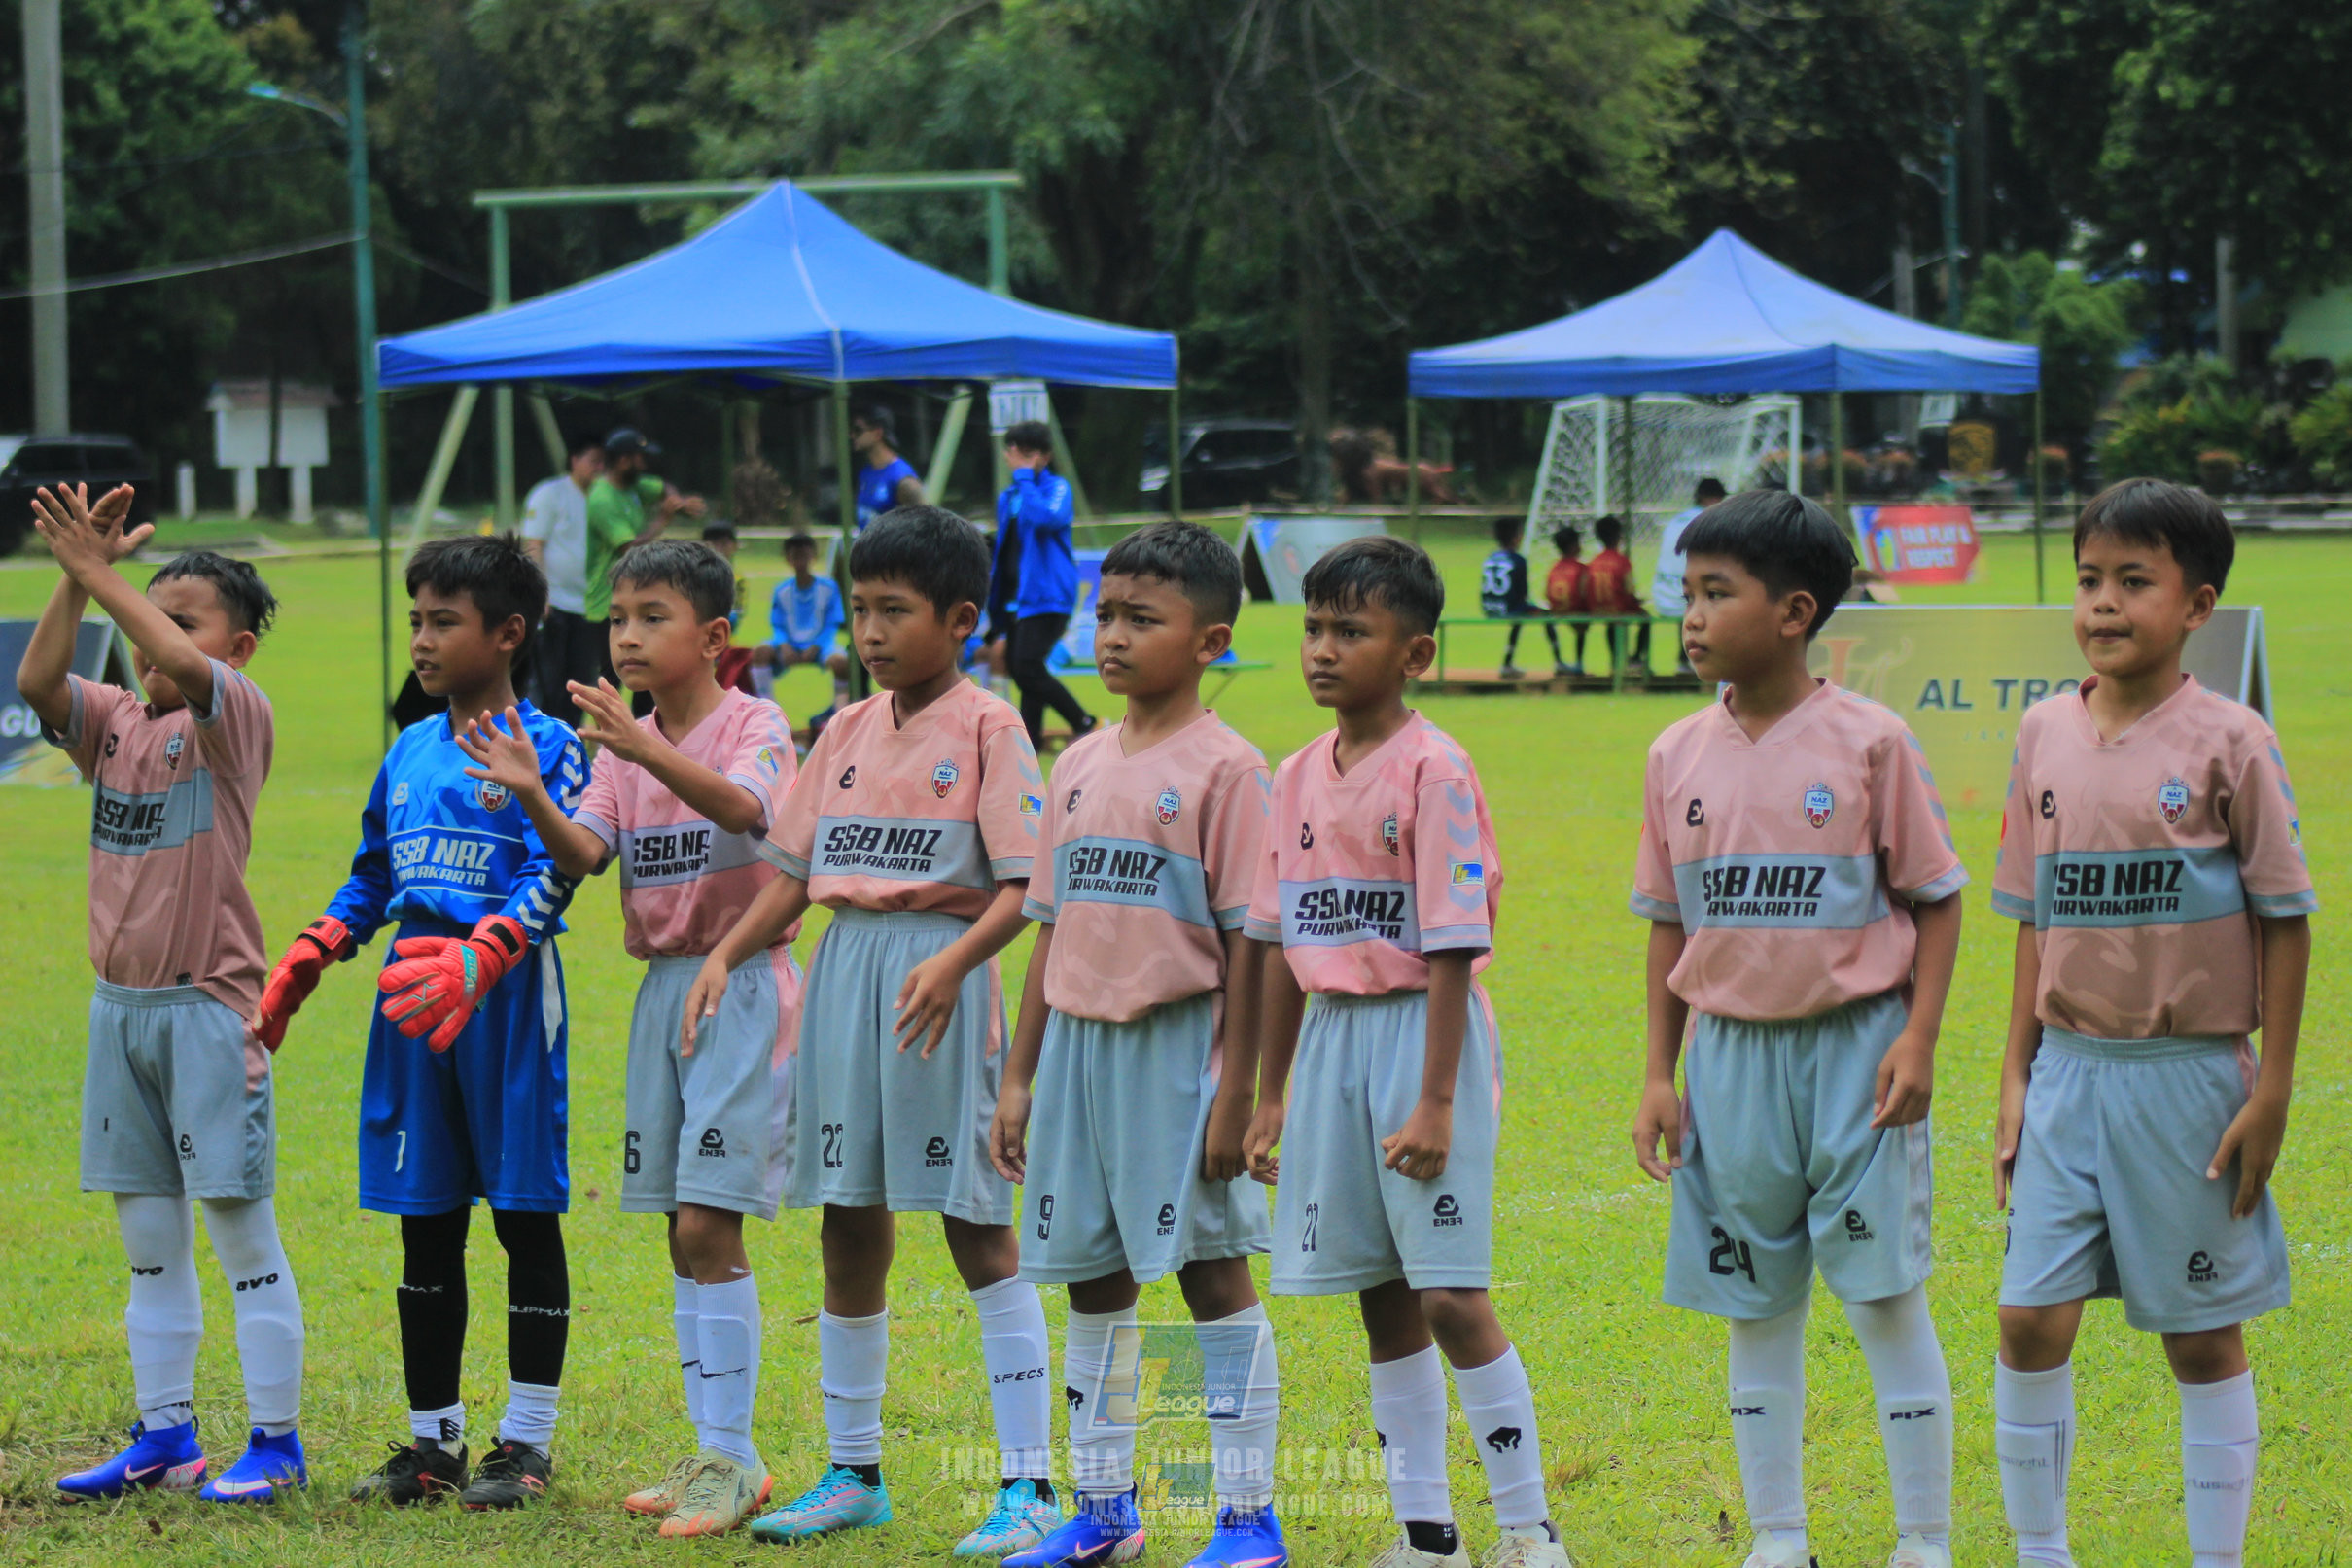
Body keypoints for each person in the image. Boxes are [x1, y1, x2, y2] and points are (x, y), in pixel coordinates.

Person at [684, 506, 1058, 1556]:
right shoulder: (844, 727)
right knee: (845, 1218)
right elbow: (796, 873)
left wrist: (952, 960)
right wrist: (729, 949)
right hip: (846, 973)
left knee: (974, 1219)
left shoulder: (991, 725)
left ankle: (1028, 1480)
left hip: (939, 977)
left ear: (963, 618)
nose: (872, 630)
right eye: (860, 609)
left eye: (895, 610)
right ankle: (854, 1471)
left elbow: (1026, 885)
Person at [1629, 490, 1966, 1568]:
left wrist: (1916, 1038)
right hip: (1725, 1062)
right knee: (1753, 1304)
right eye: (1686, 592)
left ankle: (1923, 1539)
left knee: (1882, 1298)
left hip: (1854, 1051)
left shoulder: (1871, 741)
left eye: (1715, 592)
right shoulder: (1672, 752)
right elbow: (1667, 923)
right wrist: (1656, 1071)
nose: (1689, 614)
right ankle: (1778, 1535)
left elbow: (1937, 896)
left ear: (1794, 610)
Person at [1989, 479, 2313, 1568]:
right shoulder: (2040, 730)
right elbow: (2032, 918)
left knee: (2198, 1332)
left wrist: (2267, 1091)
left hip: (2188, 1079)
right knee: (2027, 1316)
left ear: (2197, 604)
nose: (2104, 603)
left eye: (2135, 580)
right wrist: (2012, 1078)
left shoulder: (2232, 738)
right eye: (2090, 579)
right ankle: (2042, 1551)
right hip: (2069, 1072)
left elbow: (2284, 917)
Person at [456, 539, 801, 1539]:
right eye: (618, 617)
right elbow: (588, 854)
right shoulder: (617, 744)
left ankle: (735, 1458)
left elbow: (751, 811)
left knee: (707, 1222)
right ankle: (711, 1450)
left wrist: (645, 748)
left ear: (714, 636)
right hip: (662, 989)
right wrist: (531, 787)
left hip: (739, 982)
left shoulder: (755, 723)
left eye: (653, 615)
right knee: (675, 1229)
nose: (628, 633)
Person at [1242, 537, 1572, 1568]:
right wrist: (1270, 1094)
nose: (1324, 649)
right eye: (1314, 627)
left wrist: (1433, 1100)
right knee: (1379, 1291)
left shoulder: (1434, 768)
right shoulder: (1293, 775)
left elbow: (1451, 942)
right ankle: (1427, 1534)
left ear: (1415, 650)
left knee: (1445, 1290)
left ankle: (1529, 1529)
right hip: (1332, 1040)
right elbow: (1277, 949)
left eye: (1353, 629)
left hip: (1424, 1035)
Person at [258, 534, 585, 1512]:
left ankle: (525, 1443)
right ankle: (434, 1443)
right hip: (410, 1004)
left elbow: (554, 874)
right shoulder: (408, 747)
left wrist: (482, 955)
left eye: (445, 620)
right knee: (426, 1220)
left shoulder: (547, 746)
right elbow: (375, 873)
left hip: (504, 1000)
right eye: (416, 620)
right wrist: (317, 946)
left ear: (509, 632)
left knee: (525, 1213)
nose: (424, 638)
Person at [989, 520, 1287, 1568]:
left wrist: (1237, 1091)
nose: (1110, 636)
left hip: (1180, 1057)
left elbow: (1253, 942)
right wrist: (1019, 1074)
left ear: (1208, 641)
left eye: (1139, 618)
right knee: (1090, 1279)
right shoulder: (1073, 759)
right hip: (1075, 1055)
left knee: (1210, 1274)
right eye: (1103, 613)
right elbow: (1051, 925)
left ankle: (1248, 1516)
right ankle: (1104, 1508)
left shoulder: (1232, 769)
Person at [21, 486, 308, 1505]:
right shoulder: (113, 725)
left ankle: (277, 1439)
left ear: (238, 649)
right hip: (119, 1012)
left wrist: (103, 576)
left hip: (203, 1010)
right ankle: (164, 1435)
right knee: (149, 1242)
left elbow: (184, 668)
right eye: (146, 612)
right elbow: (37, 677)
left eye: (181, 616)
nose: (156, 636)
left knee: (239, 1233)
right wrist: (74, 574)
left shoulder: (233, 715)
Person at [987, 420, 1097, 749]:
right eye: (1013, 452)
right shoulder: (1009, 497)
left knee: (1027, 665)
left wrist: (1025, 478)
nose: (1014, 459)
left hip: (1050, 595)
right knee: (1023, 670)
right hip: (1017, 597)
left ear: (1043, 457)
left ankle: (1083, 721)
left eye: (1023, 454)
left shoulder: (1057, 489)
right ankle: (1030, 741)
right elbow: (1008, 548)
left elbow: (1046, 519)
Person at [587, 428, 706, 681]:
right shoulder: (602, 499)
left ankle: (647, 722)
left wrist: (679, 503)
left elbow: (664, 487)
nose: (644, 465)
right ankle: (605, 723)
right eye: (639, 458)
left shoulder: (633, 486)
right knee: (612, 678)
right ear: (623, 461)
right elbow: (630, 549)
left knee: (651, 670)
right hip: (606, 602)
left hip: (636, 595)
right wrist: (663, 519)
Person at [522, 434, 604, 726]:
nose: (599, 468)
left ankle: (570, 738)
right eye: (593, 461)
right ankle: (538, 740)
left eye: (603, 462)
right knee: (548, 681)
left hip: (589, 605)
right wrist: (539, 595)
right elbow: (534, 545)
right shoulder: (550, 494)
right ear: (574, 460)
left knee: (580, 682)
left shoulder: (603, 499)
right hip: (554, 603)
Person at [756, 532, 850, 725]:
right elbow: (777, 624)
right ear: (787, 559)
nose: (800, 560)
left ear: (813, 556)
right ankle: (768, 714)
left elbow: (833, 623)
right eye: (795, 555)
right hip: (789, 645)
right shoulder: (782, 590)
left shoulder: (829, 588)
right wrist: (783, 645)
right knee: (760, 652)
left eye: (804, 554)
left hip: (821, 646)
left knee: (842, 662)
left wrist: (816, 645)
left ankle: (841, 714)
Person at [1478, 516, 1565, 680]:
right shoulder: (1518, 560)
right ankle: (1559, 662)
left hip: (1489, 607)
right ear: (1515, 537)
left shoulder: (1490, 558)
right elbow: (1523, 595)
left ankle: (1508, 662)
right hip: (1508, 609)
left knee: (1520, 614)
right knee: (1544, 614)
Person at [1650, 477, 1727, 620]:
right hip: (1687, 601)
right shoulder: (1710, 521)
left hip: (1662, 599)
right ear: (1714, 498)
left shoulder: (1676, 520)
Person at [1585, 514, 1651, 673]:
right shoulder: (1622, 561)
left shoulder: (1593, 562)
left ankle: (1615, 660)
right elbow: (1629, 590)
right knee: (1645, 618)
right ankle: (1635, 659)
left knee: (1611, 624)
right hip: (1619, 608)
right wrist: (1637, 602)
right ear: (1618, 536)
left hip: (1597, 609)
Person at [850, 405, 925, 532]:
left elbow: (923, 526)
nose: (851, 435)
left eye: (858, 430)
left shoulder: (902, 478)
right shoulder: (865, 473)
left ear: (878, 433)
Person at [1544, 526, 1591, 675]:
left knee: (1548, 619)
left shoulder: (1554, 567)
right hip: (1576, 611)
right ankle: (1579, 662)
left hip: (1556, 610)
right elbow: (1585, 591)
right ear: (1574, 546)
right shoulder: (1581, 568)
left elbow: (1547, 592)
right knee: (1583, 624)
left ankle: (1558, 660)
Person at [700, 521, 746, 628]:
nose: (718, 549)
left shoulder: (737, 580)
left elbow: (734, 617)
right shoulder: (691, 577)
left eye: (724, 543)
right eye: (713, 543)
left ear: (734, 546)